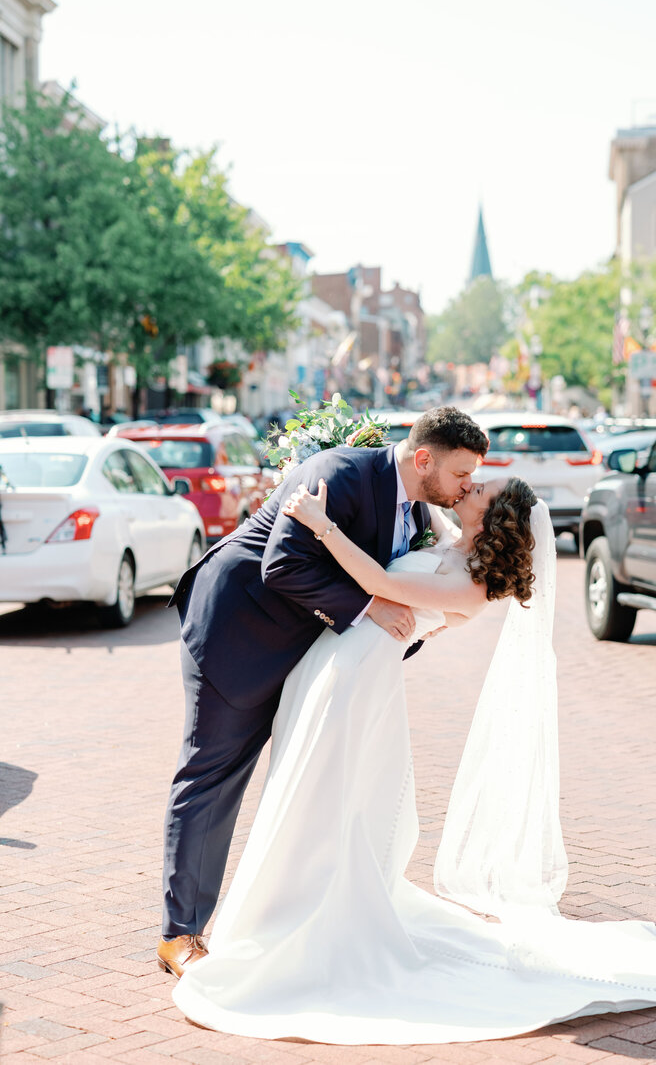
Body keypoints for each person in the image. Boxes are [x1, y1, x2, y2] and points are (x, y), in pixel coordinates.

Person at [171, 476, 656, 1044]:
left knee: (319, 797)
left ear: (494, 518)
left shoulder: (473, 587)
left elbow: (374, 581)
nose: (466, 489)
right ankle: (283, 909)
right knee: (306, 789)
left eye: (479, 490)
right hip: (336, 664)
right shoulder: (452, 541)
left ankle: (299, 916)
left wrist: (319, 522)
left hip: (356, 679)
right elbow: (416, 495)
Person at [157, 407, 489, 977]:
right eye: (461, 474)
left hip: (301, 654)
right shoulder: (339, 473)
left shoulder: (417, 514)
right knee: (211, 778)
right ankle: (179, 935)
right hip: (235, 636)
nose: (466, 487)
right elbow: (281, 566)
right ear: (425, 459)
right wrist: (371, 606)